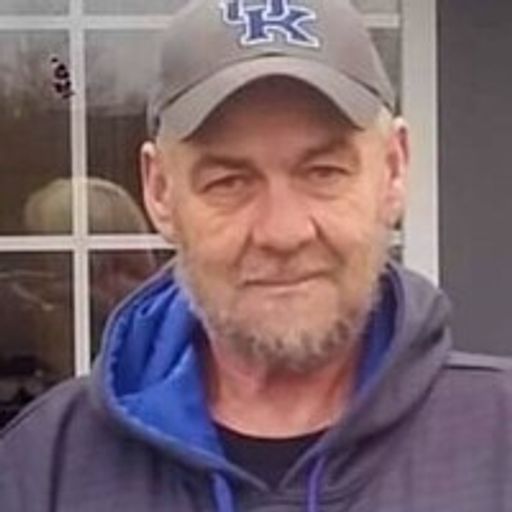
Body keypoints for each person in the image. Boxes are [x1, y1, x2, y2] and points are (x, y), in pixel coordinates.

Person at [1, 1, 512, 511]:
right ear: (159, 192)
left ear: (394, 171)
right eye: (229, 181)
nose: (282, 232)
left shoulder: (497, 444)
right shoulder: (44, 468)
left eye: (324, 173)